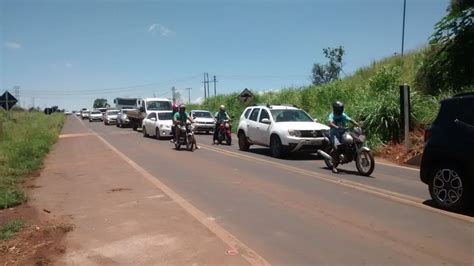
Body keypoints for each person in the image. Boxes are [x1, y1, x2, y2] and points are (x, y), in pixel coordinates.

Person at [328, 101, 359, 173]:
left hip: (343, 133)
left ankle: (349, 154)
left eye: (341, 108)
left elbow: (350, 119)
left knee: (351, 141)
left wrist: (357, 124)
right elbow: (330, 123)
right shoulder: (332, 115)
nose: (341, 110)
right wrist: (336, 127)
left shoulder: (343, 115)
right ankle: (334, 167)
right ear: (336, 109)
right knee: (337, 148)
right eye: (340, 108)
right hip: (334, 134)